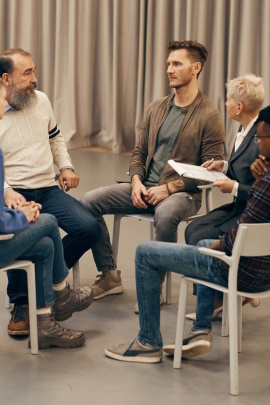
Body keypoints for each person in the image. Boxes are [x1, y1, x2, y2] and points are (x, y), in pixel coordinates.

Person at [104, 105, 270, 363]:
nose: (257, 145)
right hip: (264, 273)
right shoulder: (265, 178)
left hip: (244, 271)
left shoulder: (265, 185)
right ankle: (200, 330)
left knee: (145, 252)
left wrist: (215, 247)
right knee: (201, 238)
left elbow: (240, 232)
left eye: (261, 138)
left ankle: (147, 343)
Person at [80, 40, 225, 303]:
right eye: (168, 63)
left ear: (196, 68)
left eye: (177, 64)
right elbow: (138, 153)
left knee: (166, 212)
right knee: (89, 201)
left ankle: (153, 285)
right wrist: (136, 181)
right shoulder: (157, 107)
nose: (169, 69)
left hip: (182, 194)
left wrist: (169, 188)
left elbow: (211, 172)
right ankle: (110, 275)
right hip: (144, 187)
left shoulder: (209, 114)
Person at [0, 48, 101, 335]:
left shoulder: (41, 100)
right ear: (6, 79)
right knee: (25, 237)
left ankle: (45, 285)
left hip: (46, 187)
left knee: (88, 228)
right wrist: (7, 191)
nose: (35, 79)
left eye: (34, 71)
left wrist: (66, 168)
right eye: (27, 73)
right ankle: (21, 302)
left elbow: (55, 139)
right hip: (15, 191)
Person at [185, 74, 265, 320]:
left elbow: (264, 193)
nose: (226, 104)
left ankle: (218, 299)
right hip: (238, 207)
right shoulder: (244, 130)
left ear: (239, 107)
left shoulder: (262, 139)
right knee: (193, 229)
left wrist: (232, 187)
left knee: (200, 236)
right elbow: (242, 167)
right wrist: (225, 164)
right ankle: (227, 292)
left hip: (253, 214)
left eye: (228, 100)